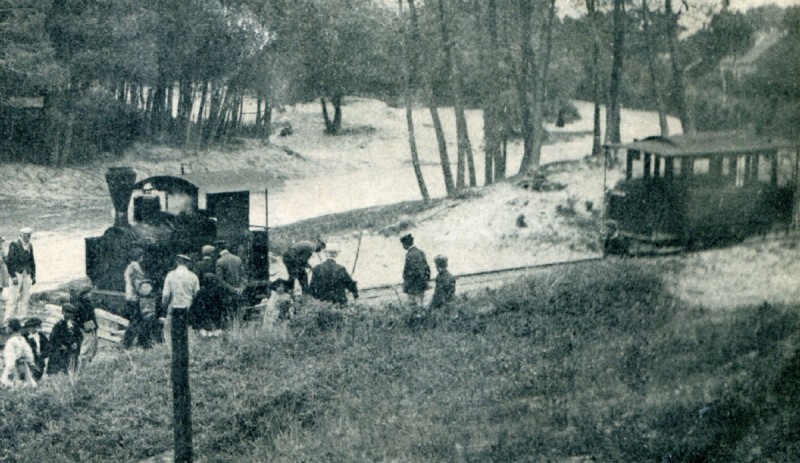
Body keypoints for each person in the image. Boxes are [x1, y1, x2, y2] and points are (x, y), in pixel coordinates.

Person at [162, 254, 200, 345]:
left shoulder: (170, 275)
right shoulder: (193, 276)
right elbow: (197, 293)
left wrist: (164, 304)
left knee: (169, 331)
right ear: (187, 263)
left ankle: (170, 349)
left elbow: (166, 294)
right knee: (187, 330)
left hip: (173, 307)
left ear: (177, 262)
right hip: (188, 307)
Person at [5, 227, 36, 324]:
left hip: (27, 273)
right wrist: (13, 276)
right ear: (21, 235)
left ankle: (22, 318)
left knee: (25, 297)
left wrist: (34, 275)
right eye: (26, 235)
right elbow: (9, 261)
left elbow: (32, 261)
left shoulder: (29, 245)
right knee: (13, 297)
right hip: (17, 273)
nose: (28, 237)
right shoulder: (14, 244)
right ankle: (8, 319)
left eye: (29, 236)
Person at [123, 247, 149, 349]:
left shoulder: (129, 266)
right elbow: (137, 284)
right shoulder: (135, 267)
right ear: (139, 257)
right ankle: (131, 343)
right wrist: (145, 291)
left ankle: (135, 342)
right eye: (142, 255)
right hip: (134, 297)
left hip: (129, 296)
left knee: (136, 320)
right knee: (137, 321)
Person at [47, 304, 83, 376]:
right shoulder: (59, 325)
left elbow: (80, 336)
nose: (69, 315)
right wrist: (60, 345)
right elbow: (53, 338)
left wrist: (76, 343)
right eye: (67, 312)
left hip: (71, 351)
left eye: (71, 313)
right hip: (60, 351)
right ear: (63, 312)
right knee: (58, 369)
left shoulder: (75, 325)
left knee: (70, 368)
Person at [2, 319, 37, 387]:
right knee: (24, 383)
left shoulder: (10, 341)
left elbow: (10, 357)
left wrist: (9, 370)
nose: (6, 329)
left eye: (7, 327)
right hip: (23, 365)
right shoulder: (22, 339)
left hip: (14, 366)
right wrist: (31, 363)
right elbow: (28, 352)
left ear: (11, 329)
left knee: (10, 384)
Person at [400, 234, 430, 309]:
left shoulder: (409, 255)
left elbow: (411, 273)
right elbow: (427, 269)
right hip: (421, 285)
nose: (403, 247)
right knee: (421, 304)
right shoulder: (420, 252)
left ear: (405, 244)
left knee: (414, 307)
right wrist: (425, 281)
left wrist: (406, 285)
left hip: (413, 287)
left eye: (403, 244)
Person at [216, 246, 246, 320]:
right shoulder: (238, 259)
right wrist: (241, 288)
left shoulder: (219, 261)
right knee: (238, 312)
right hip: (239, 292)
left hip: (227, 292)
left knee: (228, 313)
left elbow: (220, 280)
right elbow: (243, 276)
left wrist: (232, 289)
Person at [72, 286, 98, 365]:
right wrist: (82, 327)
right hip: (85, 325)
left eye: (89, 293)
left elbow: (92, 316)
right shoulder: (79, 305)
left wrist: (95, 325)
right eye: (87, 293)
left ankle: (89, 361)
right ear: (83, 295)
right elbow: (75, 319)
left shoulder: (89, 303)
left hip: (91, 324)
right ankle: (83, 362)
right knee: (86, 344)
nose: (89, 295)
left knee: (93, 344)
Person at [24, 317, 49, 382]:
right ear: (28, 327)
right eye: (31, 327)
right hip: (29, 360)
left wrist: (42, 353)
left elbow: (48, 346)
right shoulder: (25, 337)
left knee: (38, 377)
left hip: (40, 360)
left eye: (35, 326)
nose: (33, 328)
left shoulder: (41, 335)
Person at [0, 236, 9, 301]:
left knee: (2, 282)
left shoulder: (2, 249)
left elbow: (5, 257)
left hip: (2, 267)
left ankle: (0, 296)